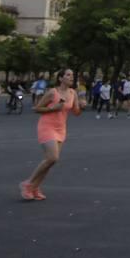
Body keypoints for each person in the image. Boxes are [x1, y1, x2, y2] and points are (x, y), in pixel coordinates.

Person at [21, 68, 83, 200]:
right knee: (53, 158)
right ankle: (28, 183)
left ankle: (35, 187)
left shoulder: (73, 93)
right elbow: (37, 108)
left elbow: (76, 113)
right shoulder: (52, 93)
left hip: (61, 128)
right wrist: (52, 108)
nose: (71, 77)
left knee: (50, 161)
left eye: (72, 75)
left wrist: (81, 106)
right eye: (68, 75)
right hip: (47, 126)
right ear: (60, 78)